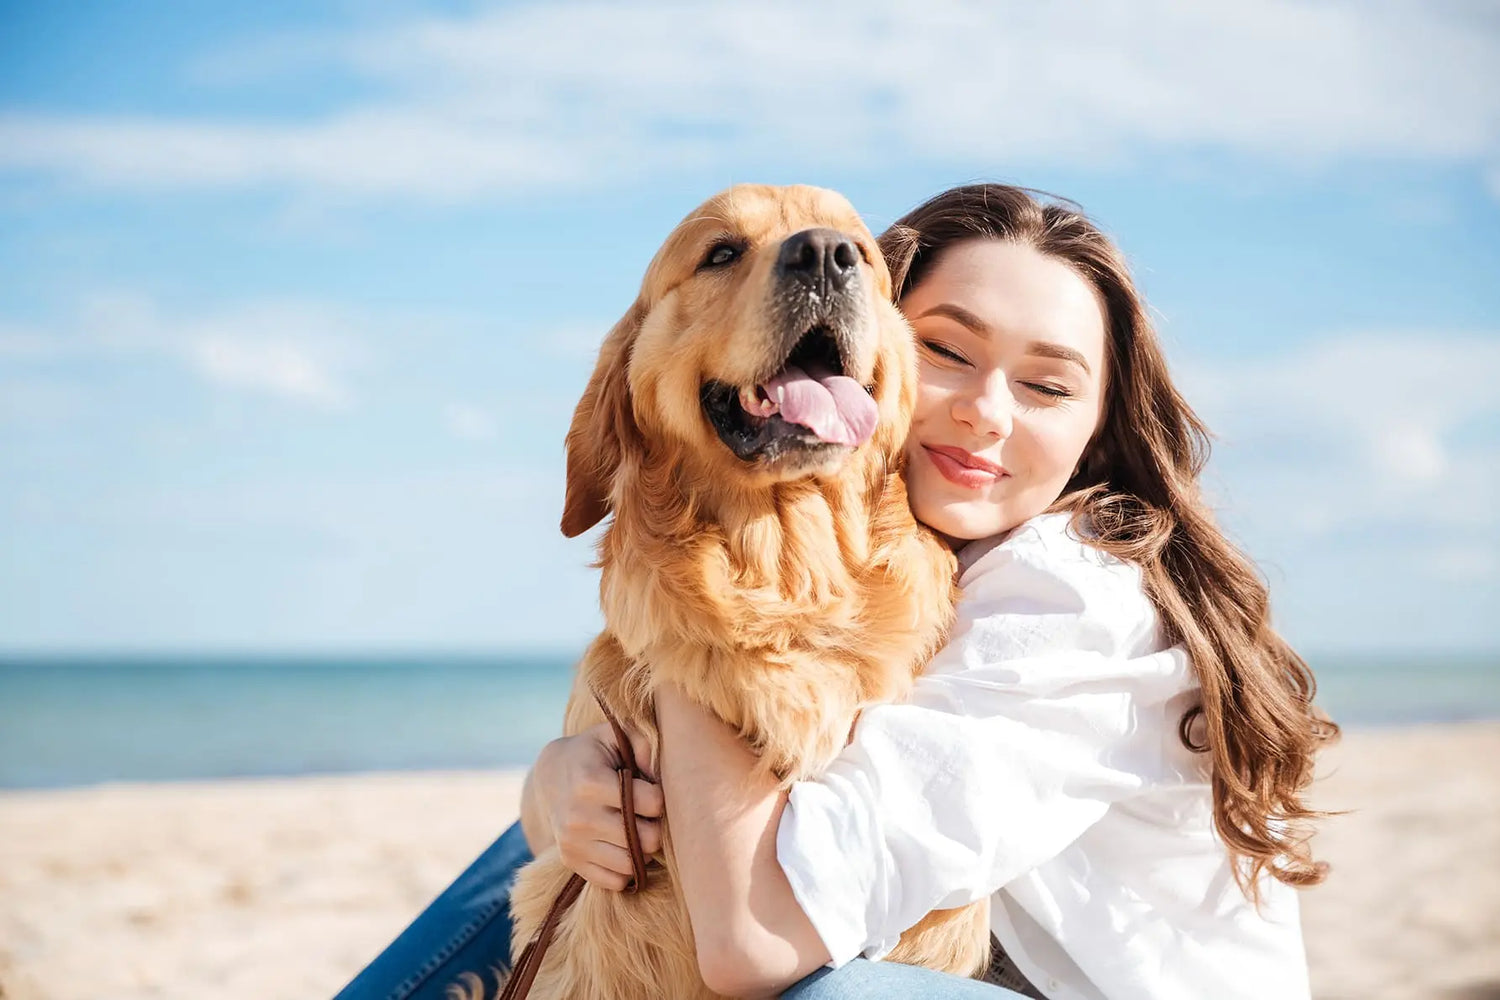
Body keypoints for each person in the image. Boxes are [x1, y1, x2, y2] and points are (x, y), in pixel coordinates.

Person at [334, 184, 1336, 1000]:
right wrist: (555, 791)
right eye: (947, 348)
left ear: (1099, 431)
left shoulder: (1068, 596)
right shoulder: (924, 558)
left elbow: (755, 935)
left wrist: (692, 600)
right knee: (588, 812)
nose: (986, 412)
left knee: (835, 994)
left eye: (1048, 385)